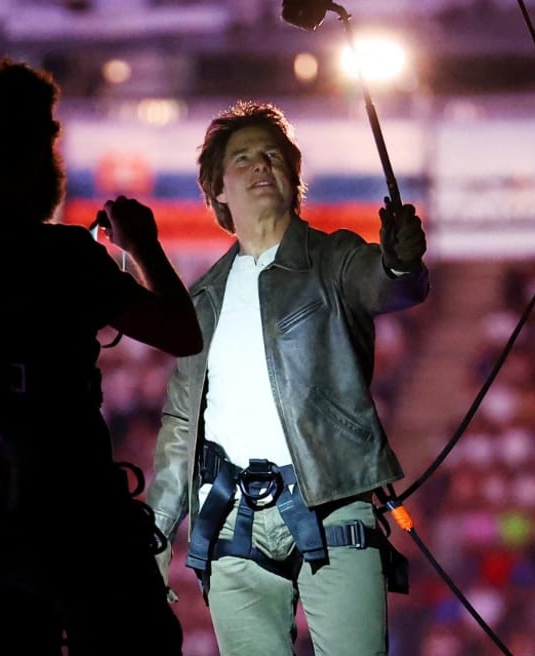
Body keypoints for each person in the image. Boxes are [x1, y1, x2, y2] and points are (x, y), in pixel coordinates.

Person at [0, 57, 200, 655]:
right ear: (40, 148)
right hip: (87, 526)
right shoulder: (67, 255)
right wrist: (142, 245)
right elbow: (181, 332)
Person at [146, 100, 429, 655]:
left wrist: (400, 262)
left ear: (293, 175)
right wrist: (157, 535)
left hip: (332, 505)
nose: (260, 166)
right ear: (218, 190)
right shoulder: (202, 298)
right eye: (243, 158)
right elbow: (182, 421)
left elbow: (389, 284)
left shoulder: (336, 258)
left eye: (272, 155)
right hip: (229, 522)